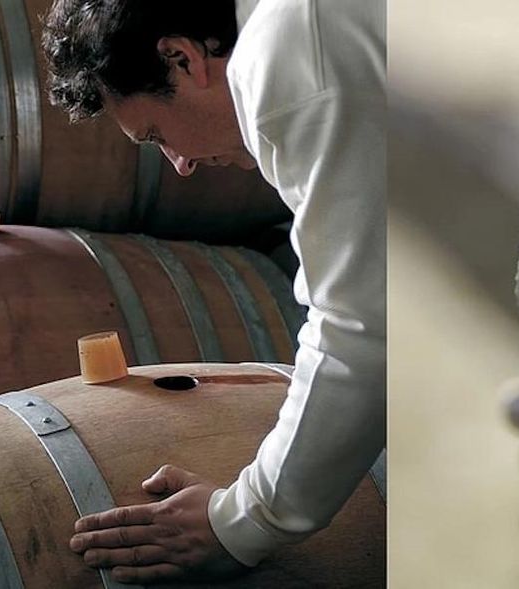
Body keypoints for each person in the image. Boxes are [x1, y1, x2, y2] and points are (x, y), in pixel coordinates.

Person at [42, 0, 385, 583]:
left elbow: (364, 326)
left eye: (155, 133)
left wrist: (246, 519)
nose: (179, 165)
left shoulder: (285, 60)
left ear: (181, 58)